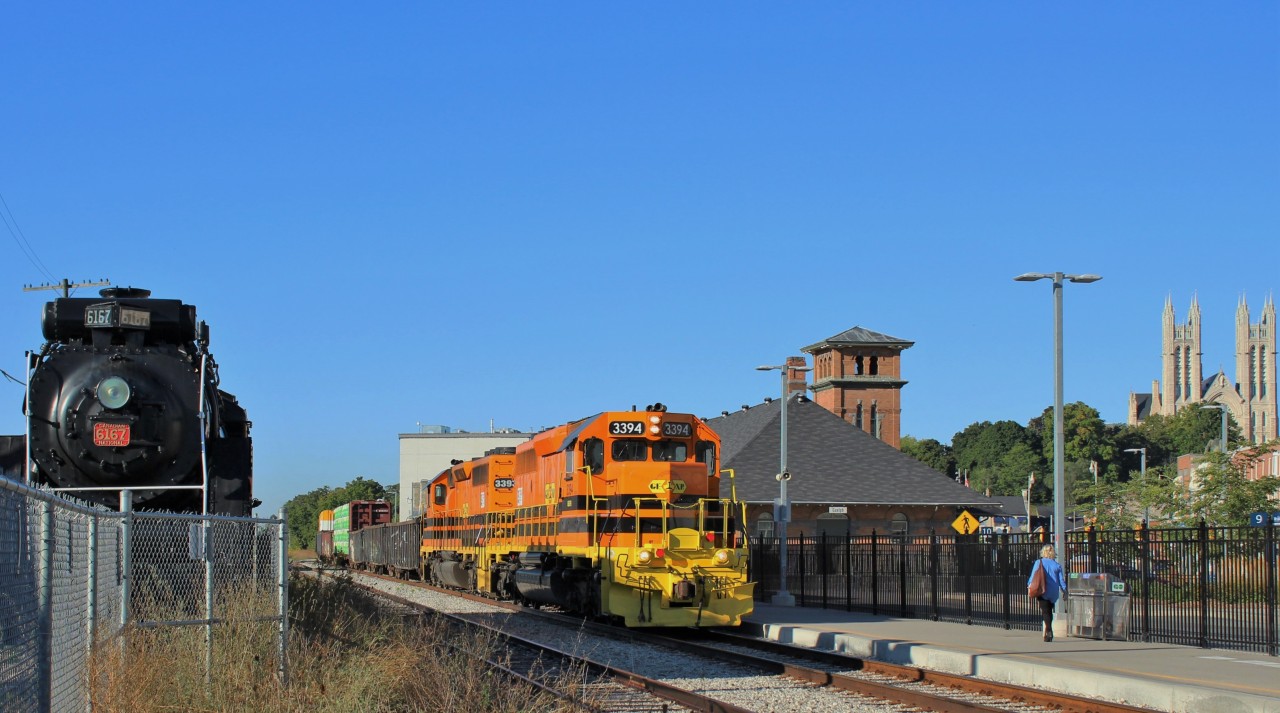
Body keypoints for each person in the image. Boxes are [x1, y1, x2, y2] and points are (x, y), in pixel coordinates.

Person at [1028, 544, 1068, 641]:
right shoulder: (1057, 565)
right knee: (1050, 610)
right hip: (1053, 591)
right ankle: (1048, 632)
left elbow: (1033, 576)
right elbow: (1061, 581)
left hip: (1043, 589)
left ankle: (1049, 630)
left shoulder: (1039, 562)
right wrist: (1065, 591)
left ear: (1043, 552)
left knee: (1045, 611)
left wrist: (1029, 585)